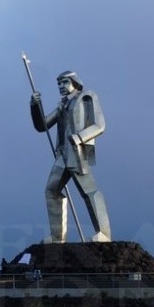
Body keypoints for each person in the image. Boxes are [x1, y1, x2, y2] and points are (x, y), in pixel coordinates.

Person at [30, 70, 111, 243]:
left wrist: (80, 137)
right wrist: (35, 106)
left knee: (89, 190)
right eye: (58, 83)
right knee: (51, 191)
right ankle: (57, 237)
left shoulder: (86, 97)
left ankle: (103, 234)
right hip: (62, 154)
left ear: (75, 82)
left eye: (65, 82)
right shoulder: (62, 105)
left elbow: (99, 125)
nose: (61, 86)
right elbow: (42, 126)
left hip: (76, 152)